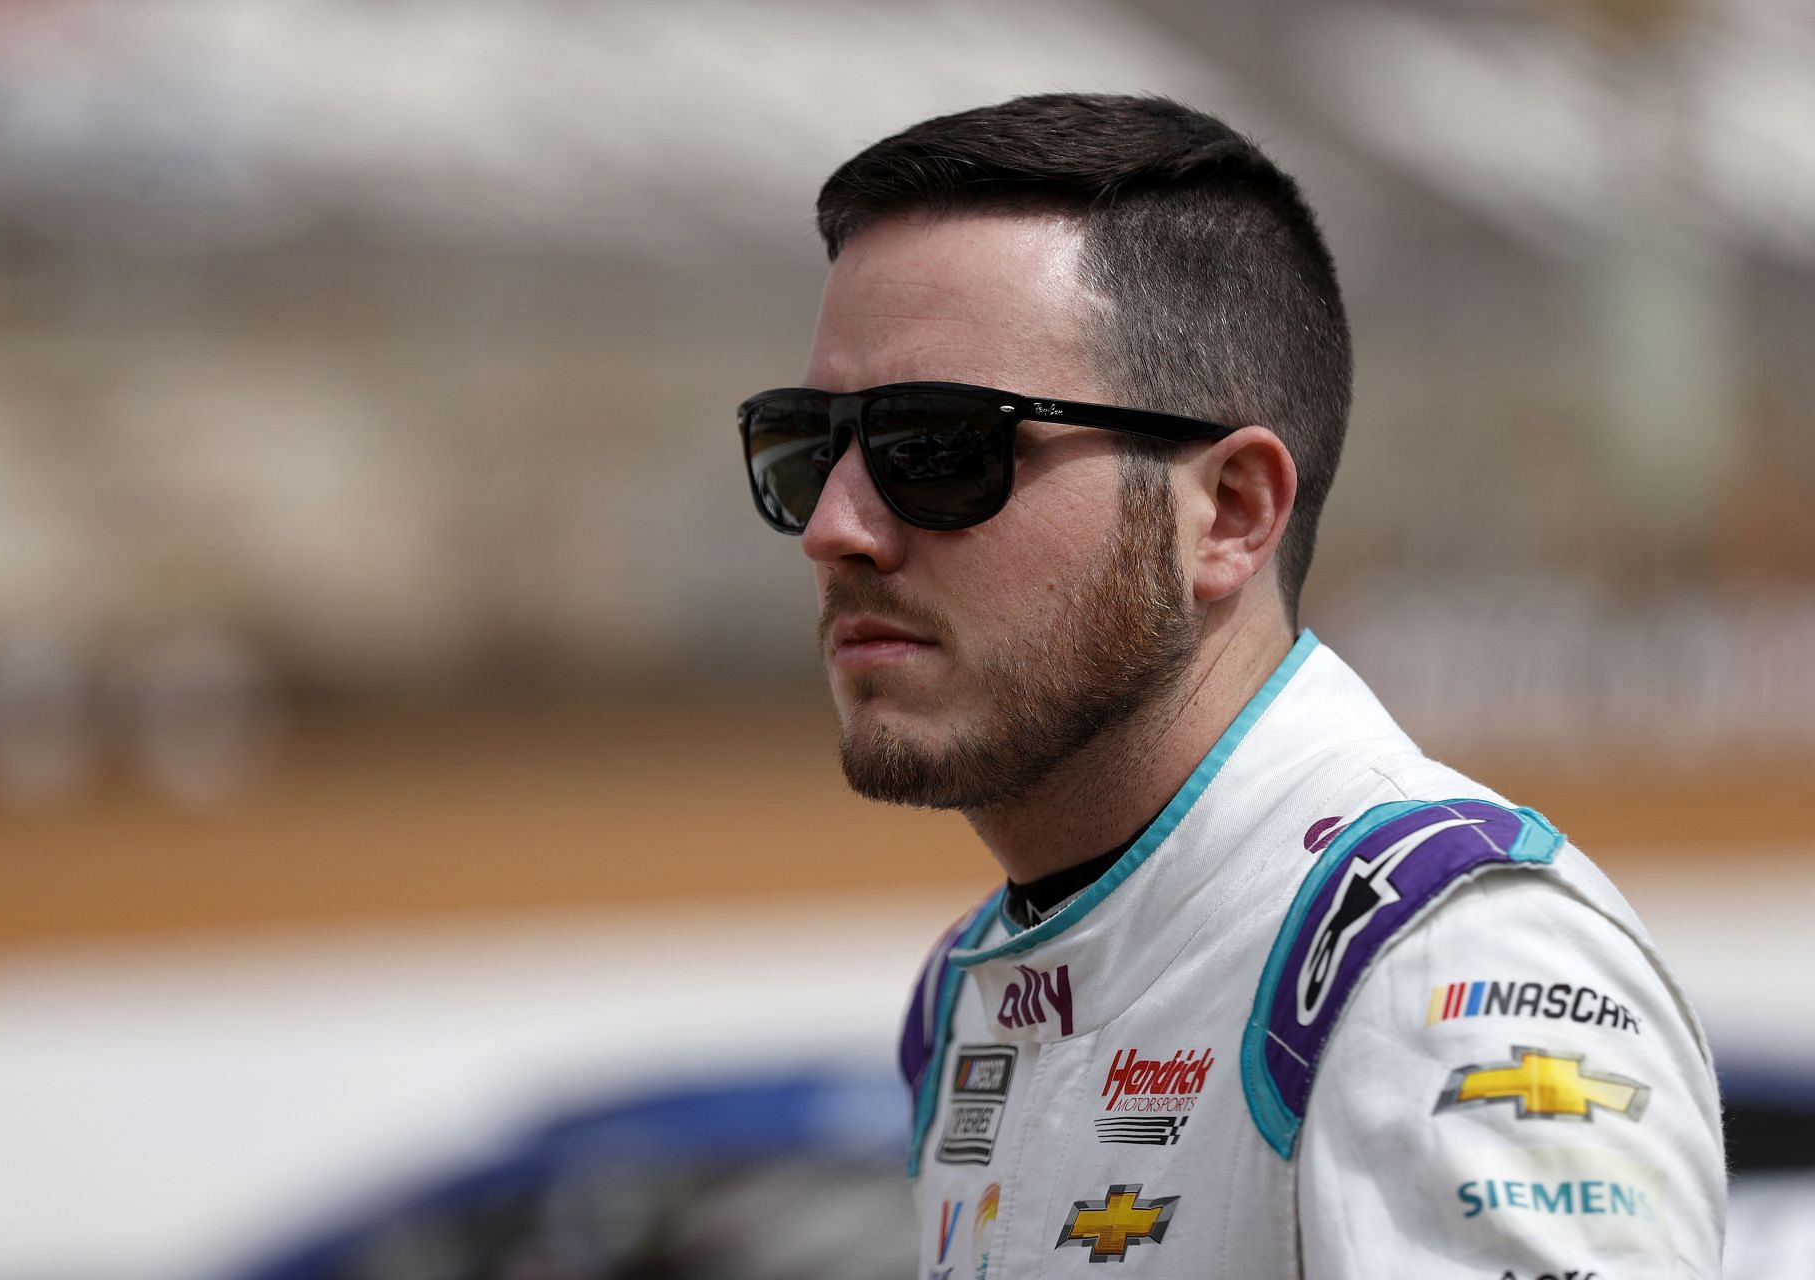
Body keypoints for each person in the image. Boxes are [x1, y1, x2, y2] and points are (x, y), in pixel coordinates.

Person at [735, 94, 1724, 1278]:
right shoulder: (969, 1002)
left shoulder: (1443, 969)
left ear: (1232, 513)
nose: (835, 526)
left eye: (937, 448)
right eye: (807, 446)